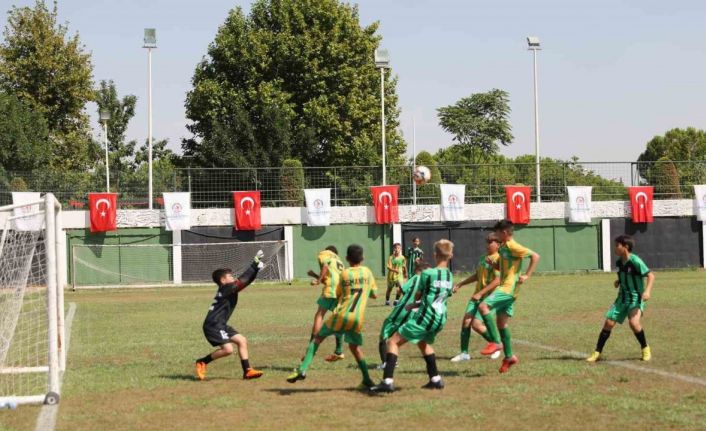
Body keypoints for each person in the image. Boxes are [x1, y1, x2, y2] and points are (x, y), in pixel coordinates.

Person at [287, 244, 378, 389]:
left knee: (317, 339)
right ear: (363, 258)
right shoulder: (367, 272)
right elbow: (375, 294)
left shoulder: (345, 274)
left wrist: (318, 279)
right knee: (355, 348)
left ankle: (302, 370)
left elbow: (339, 292)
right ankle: (367, 379)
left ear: (347, 258)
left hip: (342, 315)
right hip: (357, 319)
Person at [369, 239, 454, 393]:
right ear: (451, 255)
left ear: (435, 255)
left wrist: (414, 303)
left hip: (425, 318)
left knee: (392, 342)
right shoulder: (449, 275)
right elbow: (438, 297)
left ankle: (387, 381)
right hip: (440, 318)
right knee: (423, 343)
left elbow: (418, 296)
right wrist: (415, 305)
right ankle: (435, 379)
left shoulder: (427, 273)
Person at [476, 220, 540, 373]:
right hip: (509, 290)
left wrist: (527, 275)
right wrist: (494, 265)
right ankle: (509, 357)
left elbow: (535, 256)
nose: (496, 236)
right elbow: (505, 266)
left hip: (507, 289)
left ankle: (496, 343)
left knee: (483, 306)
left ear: (504, 233)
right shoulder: (504, 247)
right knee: (501, 324)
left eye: (498, 233)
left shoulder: (513, 245)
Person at [194, 250, 265, 381]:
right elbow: (242, 280)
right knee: (228, 350)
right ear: (223, 280)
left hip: (220, 324)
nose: (233, 278)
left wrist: (255, 271)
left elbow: (245, 282)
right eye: (230, 276)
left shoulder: (229, 288)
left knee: (242, 340)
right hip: (213, 325)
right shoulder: (226, 288)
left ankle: (247, 371)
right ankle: (202, 362)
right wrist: (254, 264)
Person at [586, 235, 655, 362]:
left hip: (635, 298)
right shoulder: (619, 262)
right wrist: (619, 281)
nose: (615, 248)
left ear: (626, 247)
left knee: (634, 323)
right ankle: (597, 353)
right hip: (621, 298)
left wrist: (647, 291)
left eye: (617, 245)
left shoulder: (636, 261)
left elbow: (650, 275)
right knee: (608, 323)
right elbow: (627, 275)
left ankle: (645, 348)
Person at [450, 233, 502, 362]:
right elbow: (477, 275)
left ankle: (496, 344)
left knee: (477, 325)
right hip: (477, 296)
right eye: (487, 242)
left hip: (489, 298)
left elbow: (497, 280)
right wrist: (461, 284)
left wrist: (481, 293)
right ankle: (464, 354)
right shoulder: (484, 258)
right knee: (466, 322)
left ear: (498, 244)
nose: (487, 244)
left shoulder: (498, 259)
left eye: (491, 242)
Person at [377, 261, 431, 369]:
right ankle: (392, 361)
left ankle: (386, 363)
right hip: (413, 313)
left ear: (418, 271)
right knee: (395, 338)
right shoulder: (428, 283)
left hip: (402, 310)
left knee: (384, 335)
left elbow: (400, 289)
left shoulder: (416, 278)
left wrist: (403, 283)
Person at [306, 246, 346, 362]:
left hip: (331, 288)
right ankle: (339, 351)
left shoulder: (324, 254)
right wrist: (315, 275)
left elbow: (324, 267)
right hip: (341, 290)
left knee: (319, 315)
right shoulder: (339, 261)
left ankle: (311, 348)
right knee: (338, 319)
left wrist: (318, 280)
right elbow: (326, 277)